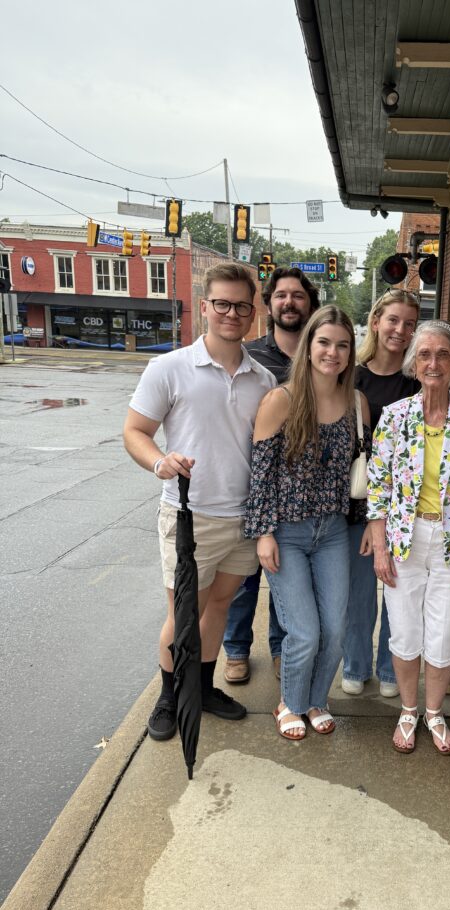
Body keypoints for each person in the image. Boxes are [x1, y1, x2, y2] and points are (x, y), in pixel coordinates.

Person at [123, 262, 276, 741]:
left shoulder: (263, 380)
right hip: (191, 515)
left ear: (255, 314)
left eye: (242, 306)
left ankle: (202, 689)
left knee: (220, 608)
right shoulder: (168, 368)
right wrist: (159, 462)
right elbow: (135, 431)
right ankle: (170, 698)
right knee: (184, 613)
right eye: (222, 304)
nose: (232, 313)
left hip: (242, 519)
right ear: (205, 307)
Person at [244, 305, 369, 741]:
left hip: (333, 531)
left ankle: (317, 699)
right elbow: (259, 477)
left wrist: (369, 524)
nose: (332, 352)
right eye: (323, 342)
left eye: (341, 345)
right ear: (308, 345)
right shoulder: (281, 400)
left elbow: (364, 473)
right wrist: (263, 534)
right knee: (304, 630)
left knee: (334, 629)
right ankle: (290, 703)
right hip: (288, 532)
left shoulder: (357, 402)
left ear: (351, 351)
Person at [368, 321, 450, 756]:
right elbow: (378, 485)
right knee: (403, 631)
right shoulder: (395, 417)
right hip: (405, 539)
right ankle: (407, 710)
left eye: (443, 354)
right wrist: (380, 546)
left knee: (443, 635)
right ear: (414, 363)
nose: (434, 363)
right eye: (425, 355)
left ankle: (434, 713)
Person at [222, 267, 320, 686]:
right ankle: (237, 649)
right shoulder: (251, 358)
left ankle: (281, 648)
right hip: (255, 485)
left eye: (298, 296)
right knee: (245, 578)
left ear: (309, 305)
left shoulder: (321, 357)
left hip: (299, 495)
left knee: (286, 580)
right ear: (269, 304)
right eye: (281, 295)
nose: (289, 302)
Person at [341, 288, 421, 700]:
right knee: (358, 591)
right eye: (393, 320)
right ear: (375, 322)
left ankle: (391, 669)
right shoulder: (349, 375)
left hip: (406, 506)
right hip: (357, 501)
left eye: (410, 324)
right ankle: (355, 664)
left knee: (399, 593)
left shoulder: (417, 381)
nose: (400, 330)